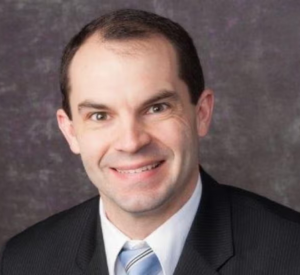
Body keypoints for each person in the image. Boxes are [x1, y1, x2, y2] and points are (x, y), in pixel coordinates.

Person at [1, 8, 300, 275]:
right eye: (100, 115)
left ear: (202, 113)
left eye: (157, 108)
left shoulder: (291, 254)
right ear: (70, 131)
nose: (131, 142)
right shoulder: (24, 260)